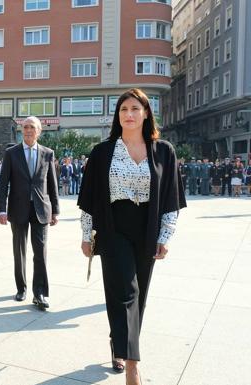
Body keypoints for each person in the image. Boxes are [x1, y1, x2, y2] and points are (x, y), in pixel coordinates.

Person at [78, 88, 186, 385]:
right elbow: (89, 198)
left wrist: (165, 236)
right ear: (118, 115)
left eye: (135, 109)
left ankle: (119, 343)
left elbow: (170, 199)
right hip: (113, 227)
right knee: (125, 292)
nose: (129, 114)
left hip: (147, 227)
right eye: (123, 109)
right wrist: (87, 235)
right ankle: (133, 368)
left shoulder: (164, 150)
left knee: (139, 297)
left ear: (146, 113)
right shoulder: (103, 152)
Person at [0, 116, 60, 310]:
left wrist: (55, 210)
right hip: (18, 209)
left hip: (41, 209)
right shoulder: (11, 153)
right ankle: (21, 287)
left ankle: (40, 292)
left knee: (40, 252)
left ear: (39, 131)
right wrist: (1, 209)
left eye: (32, 127)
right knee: (20, 250)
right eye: (25, 127)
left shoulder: (47, 153)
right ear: (21, 131)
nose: (28, 130)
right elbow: (3, 183)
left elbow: (52, 184)